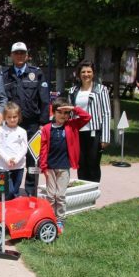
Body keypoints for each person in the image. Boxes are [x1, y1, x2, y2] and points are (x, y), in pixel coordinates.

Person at [3, 42, 50, 196]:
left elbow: (44, 99)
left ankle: (31, 192)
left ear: (27, 55)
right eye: (16, 53)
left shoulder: (36, 73)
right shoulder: (5, 75)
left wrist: (43, 123)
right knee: (11, 157)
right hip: (12, 126)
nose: (19, 55)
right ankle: (12, 191)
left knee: (32, 159)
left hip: (33, 125)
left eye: (22, 53)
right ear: (11, 55)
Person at [40, 98, 91, 231]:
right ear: (53, 112)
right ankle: (50, 217)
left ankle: (60, 219)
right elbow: (43, 148)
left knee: (60, 195)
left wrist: (74, 108)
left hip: (64, 166)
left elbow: (87, 117)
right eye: (60, 112)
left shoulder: (72, 125)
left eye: (66, 113)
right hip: (50, 167)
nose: (63, 115)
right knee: (51, 195)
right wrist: (43, 165)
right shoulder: (46, 128)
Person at [67, 60, 111, 182]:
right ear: (79, 74)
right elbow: (69, 114)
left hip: (94, 132)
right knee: (81, 164)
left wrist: (105, 137)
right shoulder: (73, 91)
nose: (86, 74)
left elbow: (106, 113)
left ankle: (93, 192)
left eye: (89, 71)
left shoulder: (101, 90)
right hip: (78, 133)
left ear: (93, 73)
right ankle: (83, 192)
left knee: (93, 164)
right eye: (83, 72)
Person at [0, 102, 28, 199]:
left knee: (15, 192)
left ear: (19, 116)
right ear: (5, 117)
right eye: (9, 117)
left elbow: (24, 148)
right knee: (8, 191)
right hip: (4, 167)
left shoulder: (22, 131)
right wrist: (7, 159)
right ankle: (3, 210)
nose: (12, 119)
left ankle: (14, 212)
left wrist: (16, 160)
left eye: (14, 117)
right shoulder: (1, 130)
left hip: (19, 166)